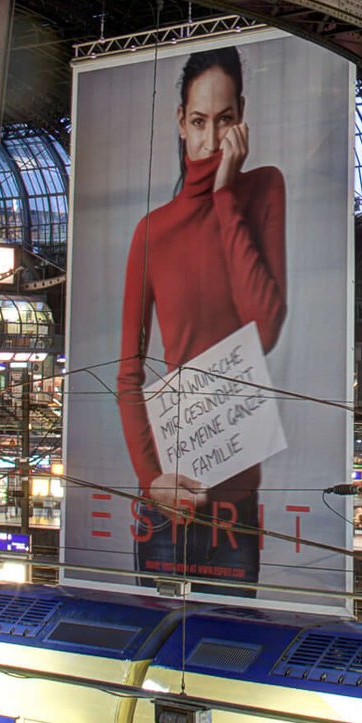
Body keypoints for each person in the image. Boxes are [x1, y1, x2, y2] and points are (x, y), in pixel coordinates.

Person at [117, 47, 286, 593]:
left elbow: (265, 327)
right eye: (198, 122)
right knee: (151, 665)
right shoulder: (153, 232)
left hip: (236, 501)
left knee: (235, 657)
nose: (212, 141)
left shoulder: (262, 189)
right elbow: (126, 373)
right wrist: (150, 481)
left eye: (225, 121)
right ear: (180, 124)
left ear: (242, 116)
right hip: (169, 492)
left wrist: (223, 197)